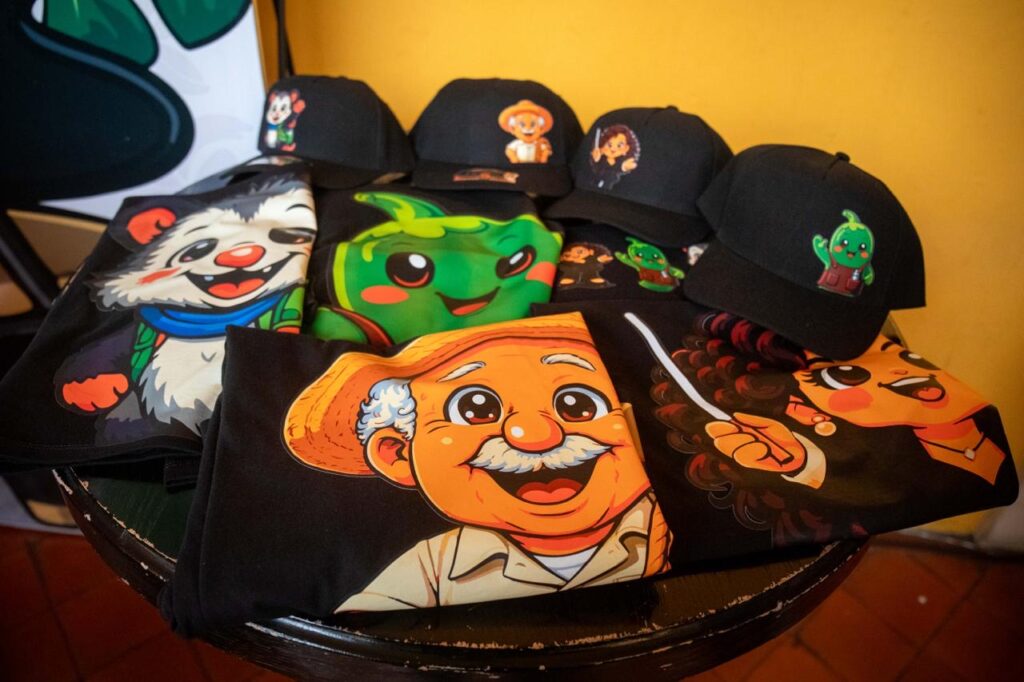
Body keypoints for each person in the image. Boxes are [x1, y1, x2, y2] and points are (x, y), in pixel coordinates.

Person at [285, 314, 671, 610]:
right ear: (397, 454)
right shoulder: (434, 566)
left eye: (577, 404)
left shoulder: (663, 523)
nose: (537, 436)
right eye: (476, 409)